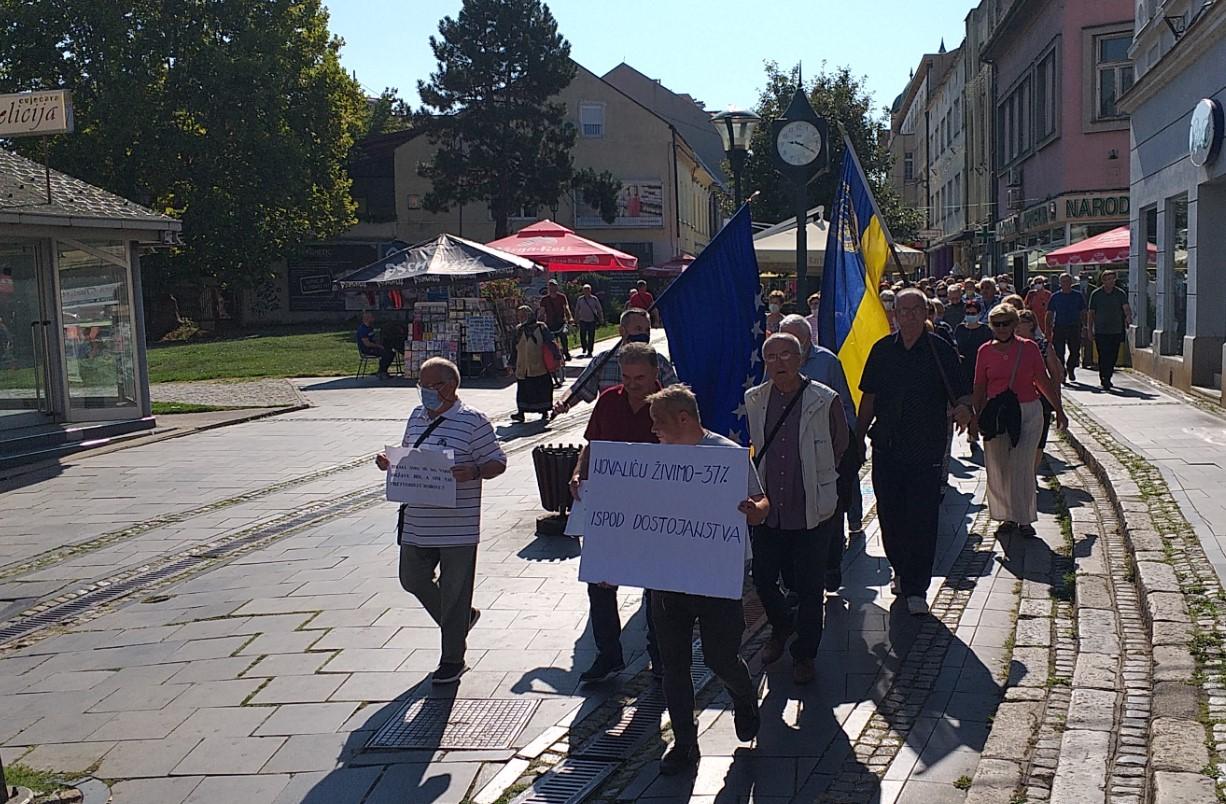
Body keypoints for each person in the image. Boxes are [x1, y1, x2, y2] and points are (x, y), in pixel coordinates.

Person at [647, 384, 768, 776]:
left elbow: (762, 503)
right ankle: (684, 743)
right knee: (673, 663)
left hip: (717, 571)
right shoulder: (653, 460)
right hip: (667, 576)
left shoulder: (727, 456)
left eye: (659, 423)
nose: (654, 431)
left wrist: (753, 510)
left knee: (719, 656)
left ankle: (744, 695)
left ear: (684, 419)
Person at [375, 358, 507, 685]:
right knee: (411, 578)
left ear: (448, 386)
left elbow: (497, 462)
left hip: (456, 524)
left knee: (455, 591)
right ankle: (461, 620)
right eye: (420, 386)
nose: (423, 393)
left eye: (429, 386)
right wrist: (389, 462)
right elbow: (410, 455)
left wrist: (475, 471)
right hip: (417, 519)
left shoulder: (472, 421)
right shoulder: (416, 417)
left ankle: (452, 659)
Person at [858, 289, 973, 615]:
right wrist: (856, 437)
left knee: (922, 518)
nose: (907, 316)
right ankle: (900, 567)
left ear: (926, 313)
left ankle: (916, 587)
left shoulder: (940, 351)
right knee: (890, 516)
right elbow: (869, 398)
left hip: (926, 448)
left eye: (914, 310)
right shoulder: (882, 351)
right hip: (887, 446)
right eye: (902, 310)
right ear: (894, 314)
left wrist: (964, 411)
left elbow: (961, 394)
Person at [745, 333, 848, 683]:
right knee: (762, 577)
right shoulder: (755, 398)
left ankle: (805, 654)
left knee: (809, 588)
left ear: (801, 357)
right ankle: (781, 626)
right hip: (769, 508)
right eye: (771, 356)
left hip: (811, 508)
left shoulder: (824, 398)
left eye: (787, 354)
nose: (779, 362)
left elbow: (840, 442)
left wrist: (817, 475)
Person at [570, 343, 664, 683]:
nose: (633, 384)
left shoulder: (671, 404)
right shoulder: (609, 400)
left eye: (640, 377)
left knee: (656, 588)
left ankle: (660, 656)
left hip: (655, 513)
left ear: (656, 373)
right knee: (600, 583)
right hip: (610, 510)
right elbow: (592, 444)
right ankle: (608, 654)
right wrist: (580, 472)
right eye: (627, 377)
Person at [972, 305, 1068, 538]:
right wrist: (976, 418)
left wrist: (1059, 409)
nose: (1002, 328)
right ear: (991, 326)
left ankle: (1024, 518)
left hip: (1027, 412)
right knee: (998, 466)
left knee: (1022, 465)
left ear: (1015, 324)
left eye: (1007, 323)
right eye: (997, 324)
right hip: (997, 415)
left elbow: (1042, 380)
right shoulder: (984, 351)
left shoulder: (1029, 348)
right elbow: (979, 386)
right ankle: (1005, 516)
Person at [779, 315, 859, 592]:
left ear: (807, 340)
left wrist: (842, 451)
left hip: (825, 454)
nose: (786, 352)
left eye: (793, 344)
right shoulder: (772, 364)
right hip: (787, 455)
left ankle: (831, 566)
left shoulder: (827, 363)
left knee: (829, 513)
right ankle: (796, 576)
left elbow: (847, 409)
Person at [553, 308, 678, 415]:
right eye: (638, 329)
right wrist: (564, 402)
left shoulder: (659, 362)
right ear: (622, 331)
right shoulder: (604, 360)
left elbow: (676, 395)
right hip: (612, 428)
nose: (644, 334)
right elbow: (580, 390)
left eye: (647, 330)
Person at [1017, 309, 1063, 470]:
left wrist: (1058, 404)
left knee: (1039, 437)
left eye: (1020, 323)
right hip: (1017, 398)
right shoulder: (1009, 345)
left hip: (1041, 397)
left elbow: (1055, 375)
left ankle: (1031, 472)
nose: (1016, 327)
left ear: (1030, 325)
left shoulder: (1043, 345)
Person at [1087, 269, 1132, 390]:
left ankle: (1108, 375)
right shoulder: (1096, 294)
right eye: (1107, 279)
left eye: (1112, 279)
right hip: (1101, 330)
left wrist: (1128, 317)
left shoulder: (1120, 293)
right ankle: (1104, 378)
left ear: (1114, 280)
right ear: (1103, 281)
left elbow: (1126, 307)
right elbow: (1091, 313)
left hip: (1116, 329)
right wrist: (1089, 329)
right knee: (1103, 355)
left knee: (1113, 355)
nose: (1109, 282)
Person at [512, 305, 554, 422]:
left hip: (539, 366)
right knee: (523, 391)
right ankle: (521, 413)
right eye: (519, 316)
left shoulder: (541, 327)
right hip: (523, 367)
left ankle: (544, 411)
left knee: (541, 389)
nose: (521, 318)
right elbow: (513, 348)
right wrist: (511, 364)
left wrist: (557, 357)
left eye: (523, 315)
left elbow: (550, 342)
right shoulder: (518, 330)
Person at [1046, 273, 1087, 383]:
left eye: (1068, 281)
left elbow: (1083, 311)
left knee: (1074, 351)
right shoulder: (1055, 297)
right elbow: (1049, 313)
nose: (1066, 284)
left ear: (1071, 282)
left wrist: (1085, 326)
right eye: (1063, 281)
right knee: (1059, 352)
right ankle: (1062, 371)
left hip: (1074, 326)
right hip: (1059, 326)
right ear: (1060, 283)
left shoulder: (1077, 296)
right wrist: (1048, 329)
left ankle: (1071, 368)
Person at [954, 299, 992, 393]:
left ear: (979, 314)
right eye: (968, 313)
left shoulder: (985, 329)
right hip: (964, 368)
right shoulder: (960, 328)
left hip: (980, 367)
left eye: (973, 313)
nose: (970, 315)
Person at [539, 279, 574, 361]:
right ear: (548, 288)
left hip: (561, 322)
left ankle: (566, 352)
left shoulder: (562, 297)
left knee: (563, 337)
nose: (552, 288)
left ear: (556, 287)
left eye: (554, 286)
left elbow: (566, 308)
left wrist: (570, 318)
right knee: (551, 341)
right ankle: (555, 355)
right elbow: (542, 312)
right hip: (550, 323)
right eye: (550, 286)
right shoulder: (544, 300)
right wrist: (539, 322)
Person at [356, 311, 394, 379]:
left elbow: (374, 339)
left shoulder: (370, 328)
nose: (374, 318)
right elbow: (367, 343)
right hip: (367, 349)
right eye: (372, 317)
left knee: (391, 352)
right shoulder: (363, 329)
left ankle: (383, 370)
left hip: (373, 347)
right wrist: (378, 346)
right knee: (386, 353)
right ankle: (381, 372)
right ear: (367, 318)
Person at [573, 284, 604, 358]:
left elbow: (599, 309)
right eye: (585, 290)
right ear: (583, 291)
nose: (586, 291)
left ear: (590, 291)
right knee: (582, 335)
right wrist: (575, 319)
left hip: (591, 320)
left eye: (588, 290)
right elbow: (577, 310)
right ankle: (584, 347)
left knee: (591, 336)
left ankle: (590, 350)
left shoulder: (594, 299)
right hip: (582, 320)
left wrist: (601, 318)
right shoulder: (580, 299)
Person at [1025, 275, 1053, 340]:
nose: (1038, 284)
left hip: (1045, 320)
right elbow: (1025, 306)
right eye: (1036, 283)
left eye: (1039, 282)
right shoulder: (1031, 294)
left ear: (1043, 284)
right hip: (1034, 320)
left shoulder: (1048, 294)